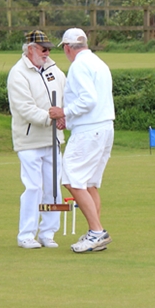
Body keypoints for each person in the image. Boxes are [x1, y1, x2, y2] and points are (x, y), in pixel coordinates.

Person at [48, 28, 115, 253]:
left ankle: (97, 232)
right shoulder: (99, 63)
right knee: (88, 183)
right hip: (104, 128)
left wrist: (64, 112)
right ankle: (94, 232)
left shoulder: (78, 66)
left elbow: (88, 100)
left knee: (71, 179)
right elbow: (93, 102)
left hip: (90, 132)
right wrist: (71, 119)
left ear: (67, 48)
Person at [7, 30, 66, 249]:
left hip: (53, 140)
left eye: (49, 48)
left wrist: (64, 116)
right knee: (33, 187)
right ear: (30, 49)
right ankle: (26, 235)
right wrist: (51, 118)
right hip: (29, 140)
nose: (47, 52)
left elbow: (65, 95)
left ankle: (48, 233)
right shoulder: (18, 73)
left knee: (53, 188)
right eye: (43, 49)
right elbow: (24, 108)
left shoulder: (54, 69)